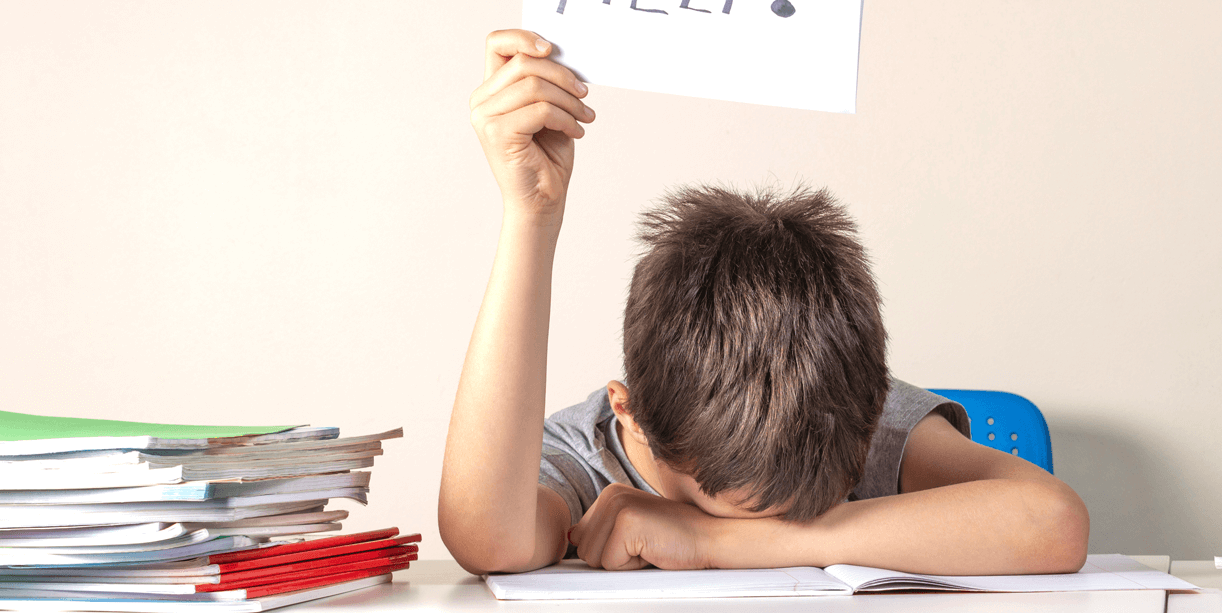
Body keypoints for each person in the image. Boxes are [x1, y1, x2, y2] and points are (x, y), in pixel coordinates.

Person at [439, 28, 1089, 576]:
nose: (781, 524)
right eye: (746, 512)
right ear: (630, 413)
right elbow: (484, 539)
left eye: (813, 505)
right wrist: (531, 214)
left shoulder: (852, 417)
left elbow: (1053, 523)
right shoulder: (589, 457)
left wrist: (716, 539)